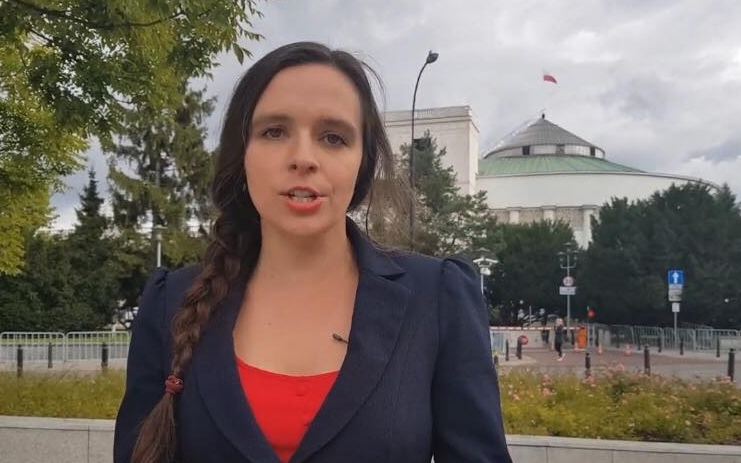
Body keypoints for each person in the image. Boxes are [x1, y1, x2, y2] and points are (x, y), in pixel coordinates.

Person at [113, 42, 513, 463]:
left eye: (333, 138)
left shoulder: (437, 298)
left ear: (362, 162)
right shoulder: (171, 303)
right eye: (274, 131)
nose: (303, 158)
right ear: (241, 153)